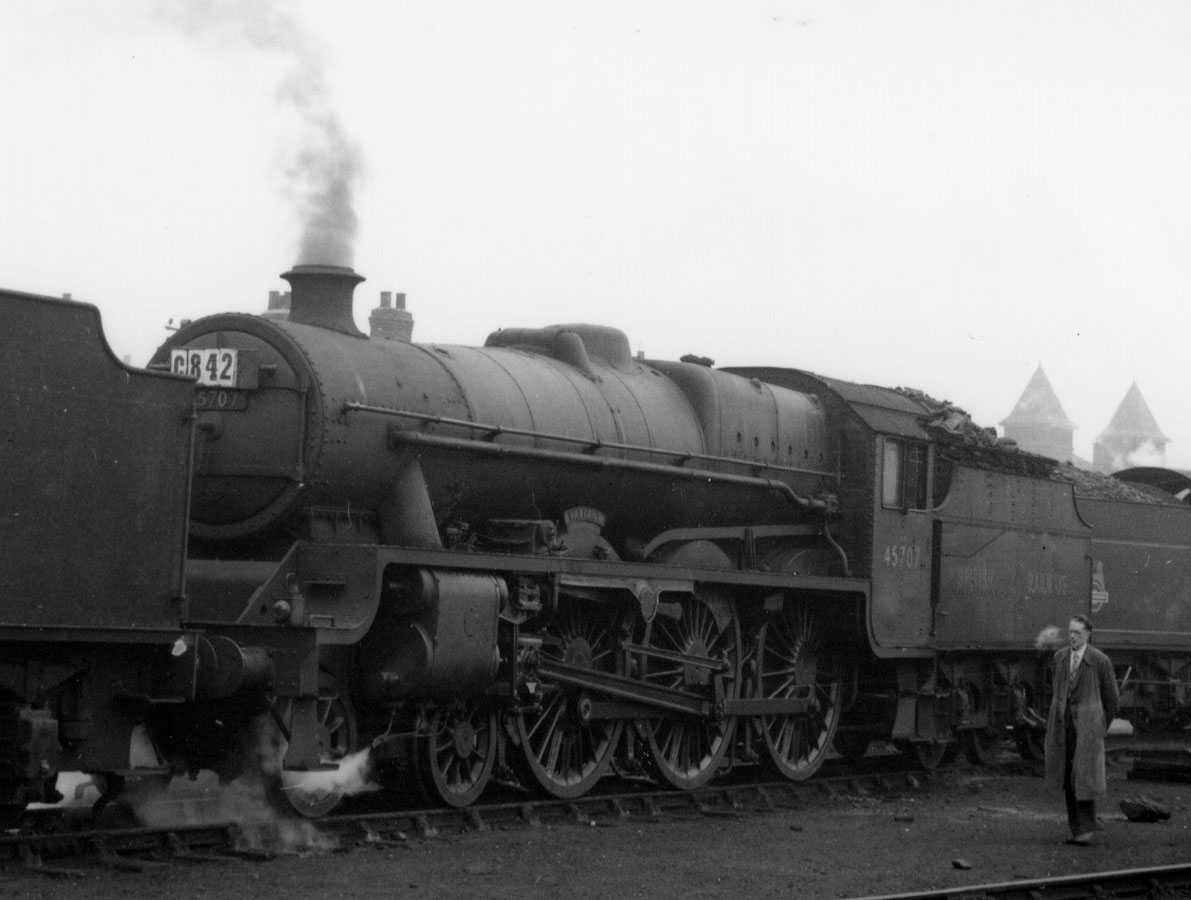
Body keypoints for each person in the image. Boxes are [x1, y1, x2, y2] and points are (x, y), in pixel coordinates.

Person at [1043, 615, 1119, 845]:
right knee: (1068, 777)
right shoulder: (1060, 657)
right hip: (1063, 727)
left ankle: (1085, 830)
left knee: (1084, 778)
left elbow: (1112, 699)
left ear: (1088, 634)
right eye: (1070, 632)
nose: (1073, 637)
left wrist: (1099, 726)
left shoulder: (1099, 660)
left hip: (1087, 729)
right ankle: (1076, 829)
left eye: (1077, 633)